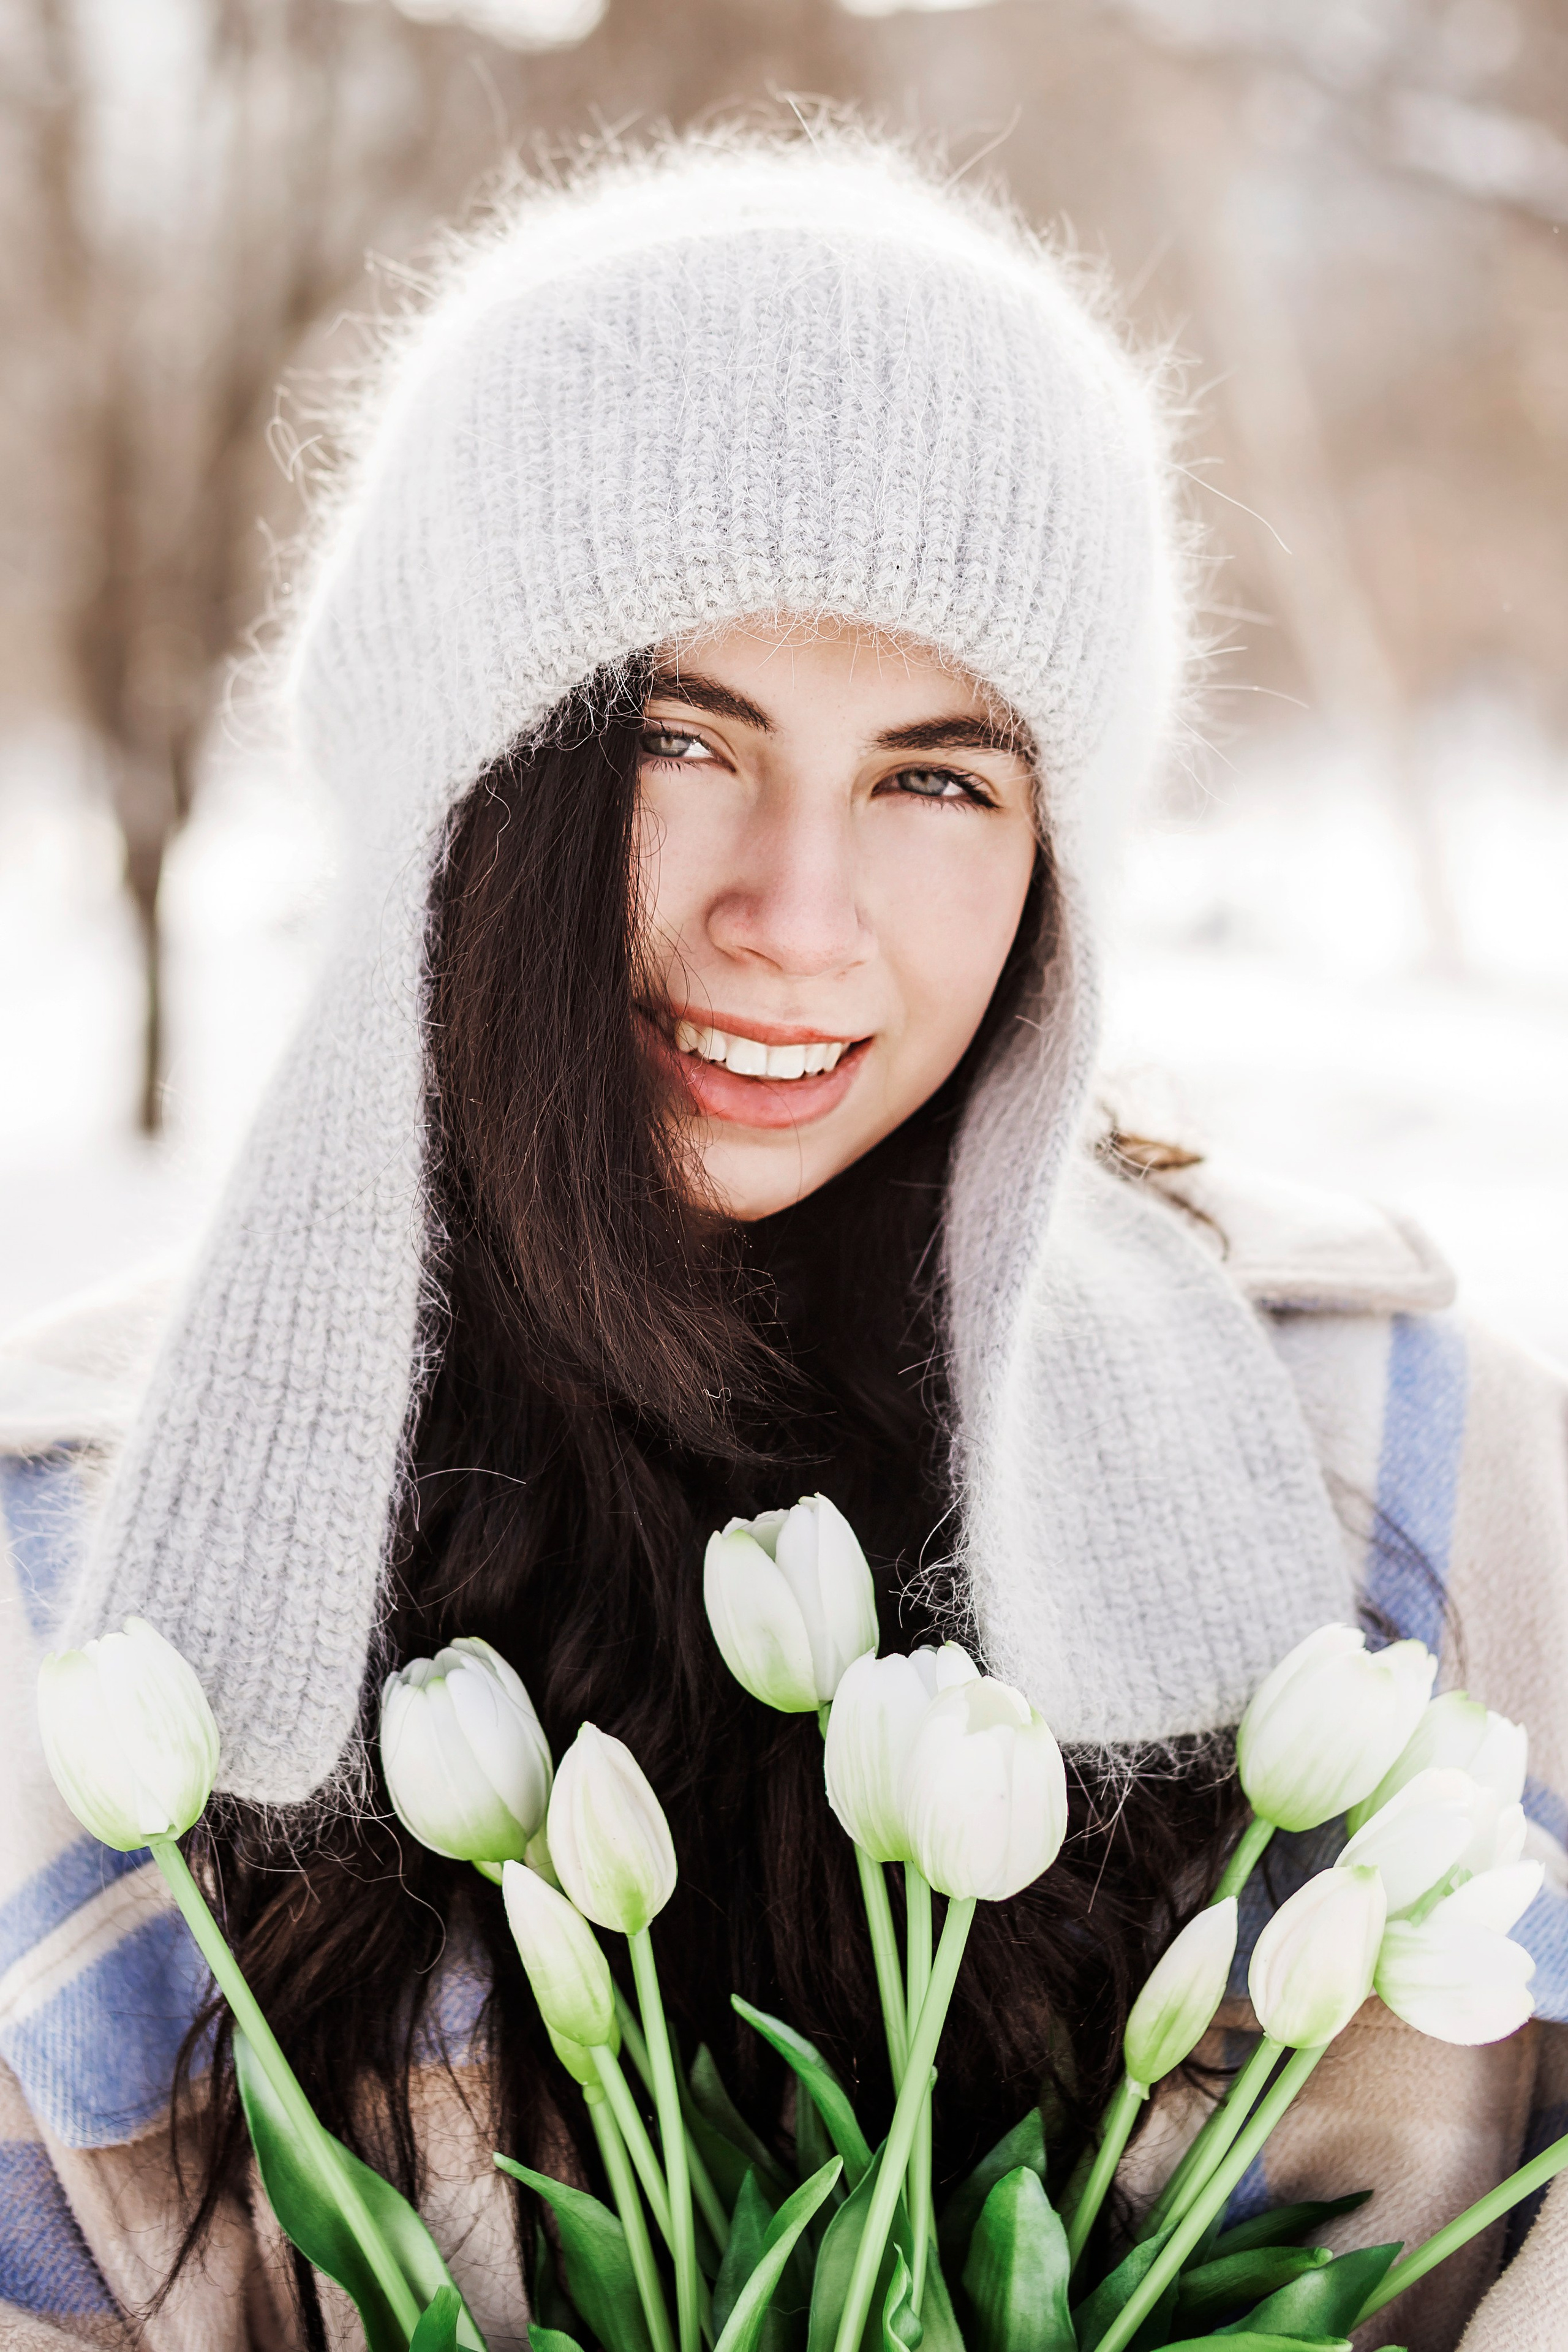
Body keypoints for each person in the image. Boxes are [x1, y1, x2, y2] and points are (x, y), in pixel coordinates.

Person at [1, 127, 1566, 2352]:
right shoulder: (70, 1583)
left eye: (940, 778)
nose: (796, 923)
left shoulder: (1413, 1463)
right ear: (456, 792)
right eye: (676, 739)